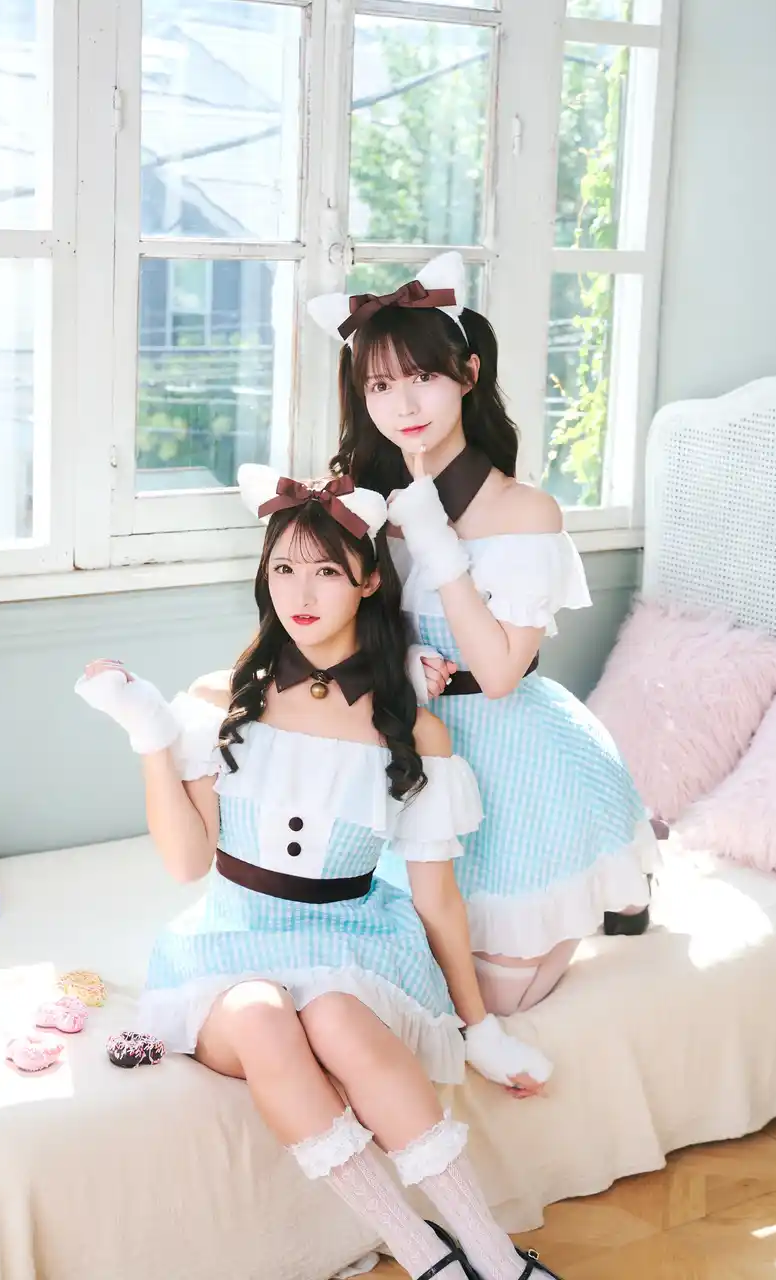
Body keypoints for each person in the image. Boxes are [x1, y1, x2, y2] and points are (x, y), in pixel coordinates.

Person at [75, 466, 561, 1280]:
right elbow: (187, 862)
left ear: (368, 581)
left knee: (333, 1016)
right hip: (229, 946)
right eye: (283, 569)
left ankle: (492, 1257)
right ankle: (427, 1260)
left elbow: (437, 900)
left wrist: (479, 1030)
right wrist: (152, 742)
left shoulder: (411, 731)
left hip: (351, 941)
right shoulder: (222, 701)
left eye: (327, 570)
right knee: (262, 1015)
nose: (300, 593)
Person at [307, 250, 657, 1019]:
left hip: (515, 760)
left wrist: (435, 542)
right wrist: (398, 656)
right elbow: (330, 639)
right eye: (379, 385)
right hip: (411, 751)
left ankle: (611, 898)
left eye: (421, 377)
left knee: (490, 1001)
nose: (403, 403)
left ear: (467, 374)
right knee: (398, 981)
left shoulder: (525, 512)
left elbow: (498, 673)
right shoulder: (363, 507)